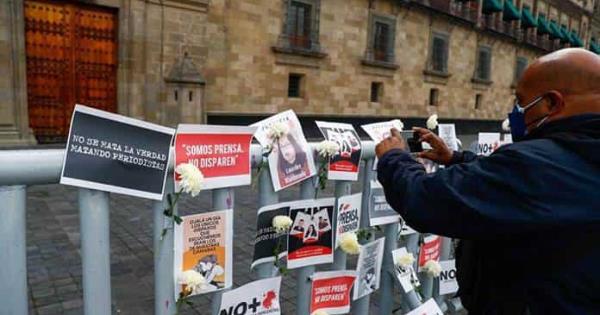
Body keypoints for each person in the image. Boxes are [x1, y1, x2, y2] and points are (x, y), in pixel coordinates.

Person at [375, 48, 600, 314]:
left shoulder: (534, 164)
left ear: (551, 103)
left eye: (521, 101)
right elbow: (529, 188)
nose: (515, 113)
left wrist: (393, 158)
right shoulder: (574, 157)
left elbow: (425, 200)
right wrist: (457, 159)